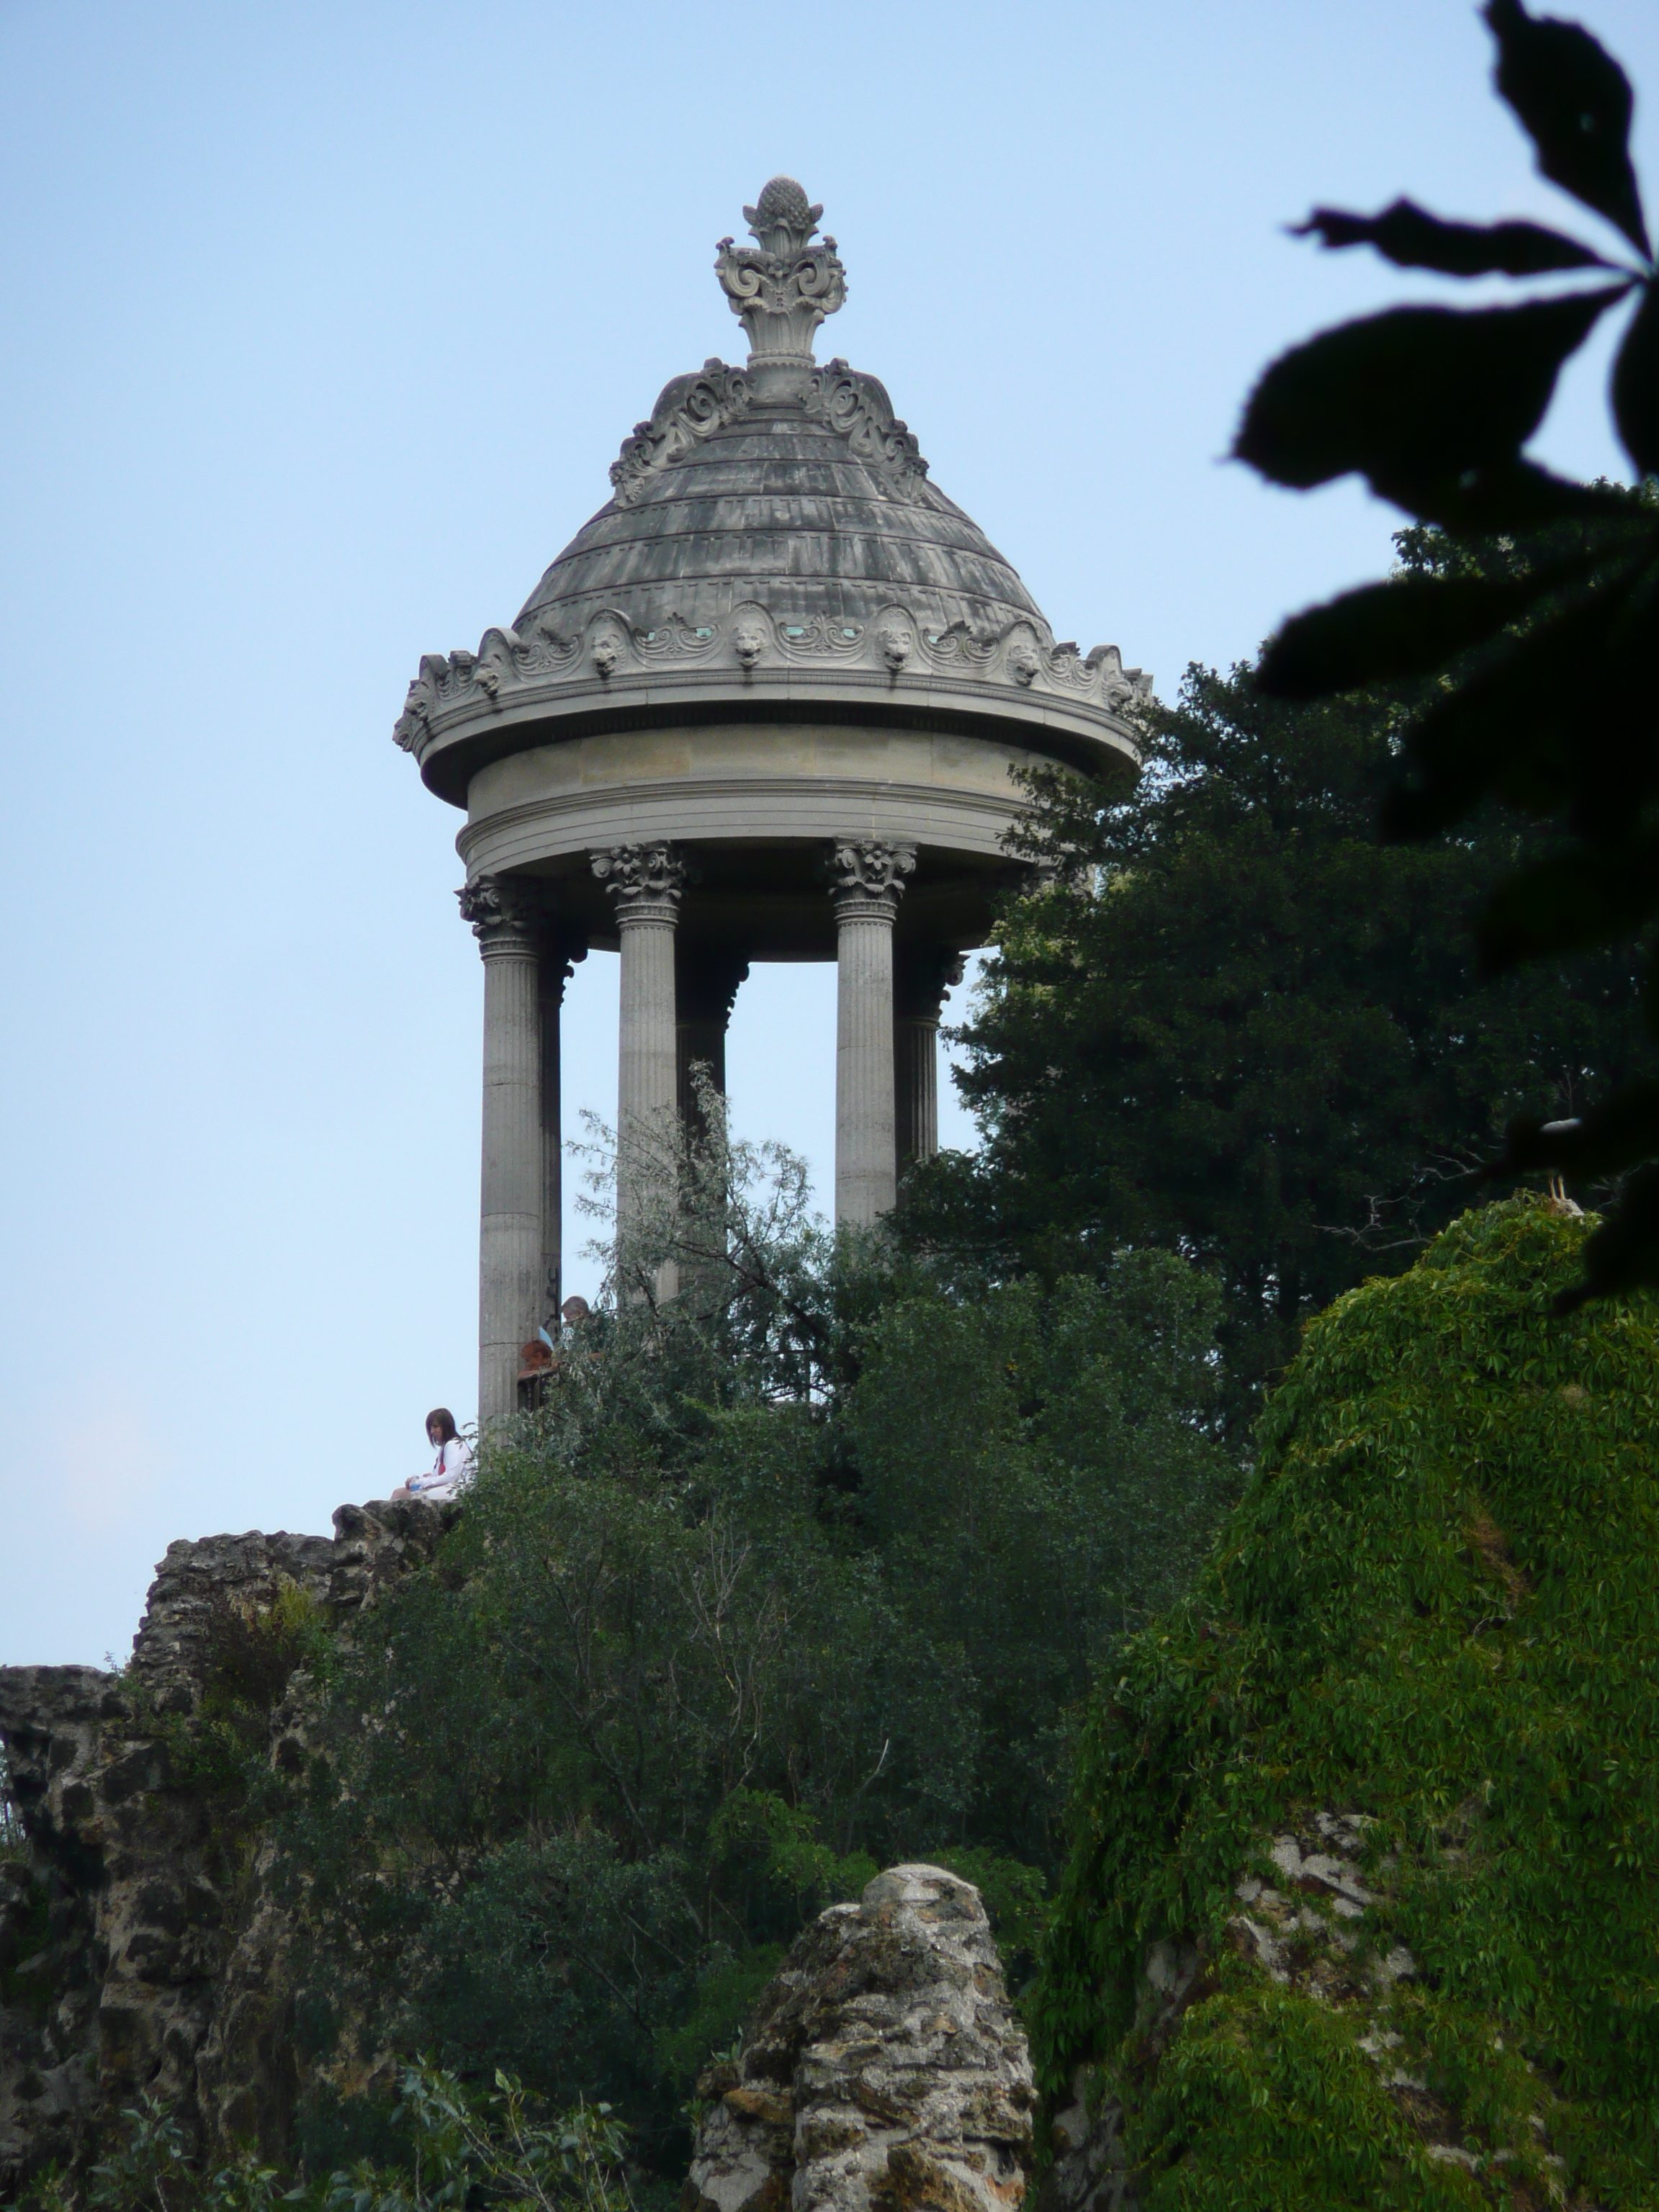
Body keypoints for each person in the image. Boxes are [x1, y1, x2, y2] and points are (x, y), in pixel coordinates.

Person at [392, 1409, 474, 1503]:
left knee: (426, 1496)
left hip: (460, 1490)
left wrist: (421, 1483)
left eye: (436, 1427)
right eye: (430, 1428)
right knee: (399, 1493)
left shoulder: (455, 1444)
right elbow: (437, 1477)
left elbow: (451, 1477)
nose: (432, 1432)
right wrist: (418, 1480)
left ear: (446, 1426)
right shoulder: (445, 1446)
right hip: (448, 1489)